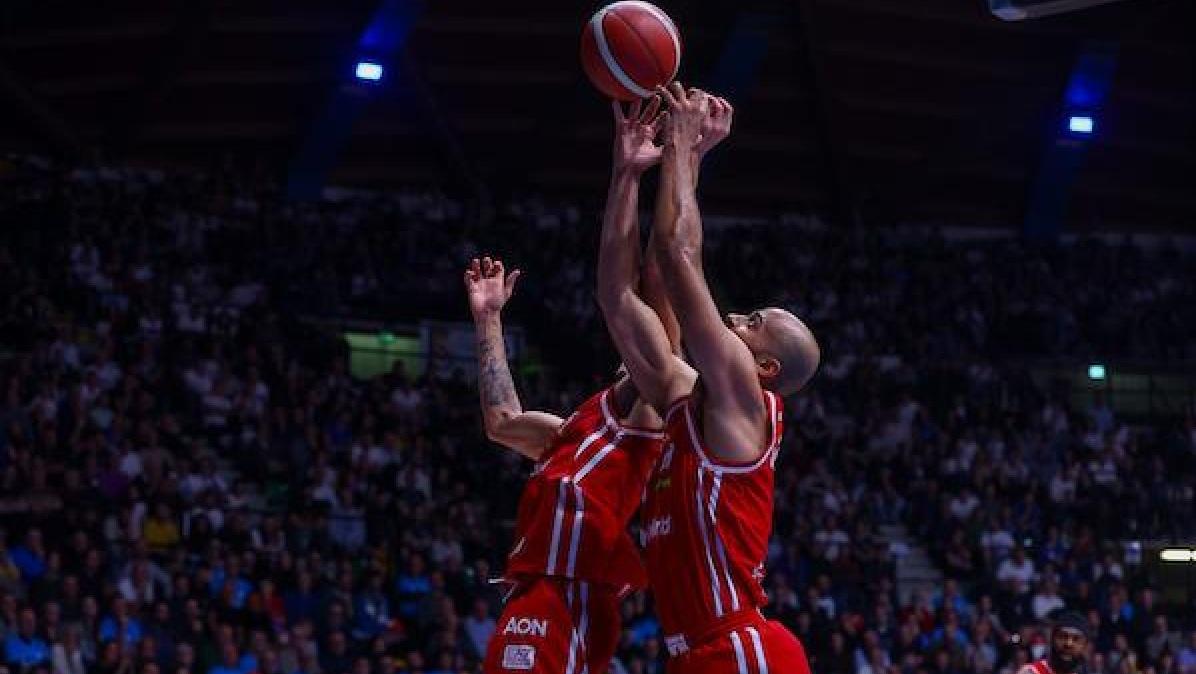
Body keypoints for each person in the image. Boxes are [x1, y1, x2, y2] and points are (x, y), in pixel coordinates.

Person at [596, 82, 819, 674]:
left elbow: (678, 253)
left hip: (741, 648)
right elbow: (620, 301)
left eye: (754, 322)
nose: (734, 317)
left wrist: (686, 153)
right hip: (699, 652)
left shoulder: (746, 402)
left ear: (766, 369)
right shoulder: (684, 398)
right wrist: (626, 176)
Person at [465, 252, 674, 674]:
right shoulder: (572, 431)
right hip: (531, 590)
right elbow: (502, 423)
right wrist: (488, 316)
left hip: (571, 589)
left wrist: (660, 250)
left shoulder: (640, 431)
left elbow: (662, 352)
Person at [1017, 612, 1090, 674]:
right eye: (1063, 636)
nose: (1068, 643)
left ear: (1084, 646)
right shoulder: (1032, 672)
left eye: (1076, 639)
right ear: (1052, 639)